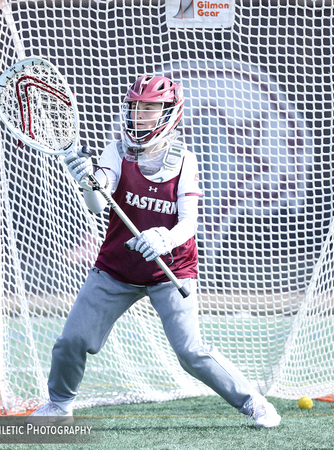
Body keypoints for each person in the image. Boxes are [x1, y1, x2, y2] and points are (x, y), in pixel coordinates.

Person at [31, 76, 281, 428]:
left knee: (190, 352)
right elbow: (95, 204)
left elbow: (189, 223)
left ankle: (254, 402)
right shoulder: (116, 151)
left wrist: (165, 239)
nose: (140, 115)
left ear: (169, 113)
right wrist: (87, 180)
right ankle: (59, 405)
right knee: (72, 339)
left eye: (149, 108)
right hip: (117, 267)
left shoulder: (184, 160)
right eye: (135, 107)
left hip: (171, 269)